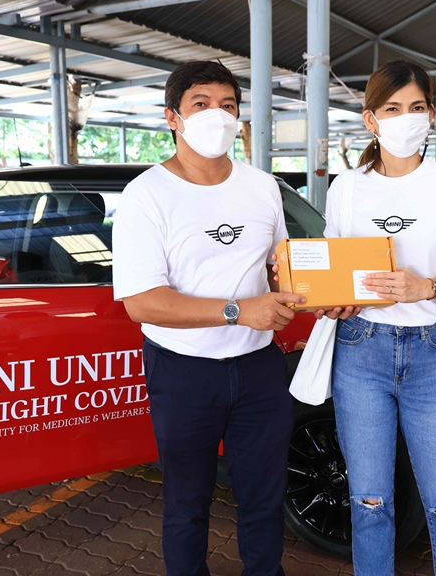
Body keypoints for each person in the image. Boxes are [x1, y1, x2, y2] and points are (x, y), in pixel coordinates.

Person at [111, 60, 304, 576]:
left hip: (259, 366)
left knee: (264, 497)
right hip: (183, 370)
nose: (216, 115)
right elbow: (142, 302)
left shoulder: (263, 186)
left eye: (227, 105)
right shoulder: (146, 195)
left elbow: (281, 266)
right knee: (187, 503)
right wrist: (239, 311)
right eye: (201, 104)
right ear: (172, 117)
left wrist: (321, 295)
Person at [324, 60, 436, 576]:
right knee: (369, 499)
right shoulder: (346, 187)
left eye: (416, 107)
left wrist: (426, 287)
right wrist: (331, 298)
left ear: (431, 115)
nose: (405, 117)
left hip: (430, 350)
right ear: (371, 119)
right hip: (360, 348)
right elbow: (332, 272)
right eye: (392, 108)